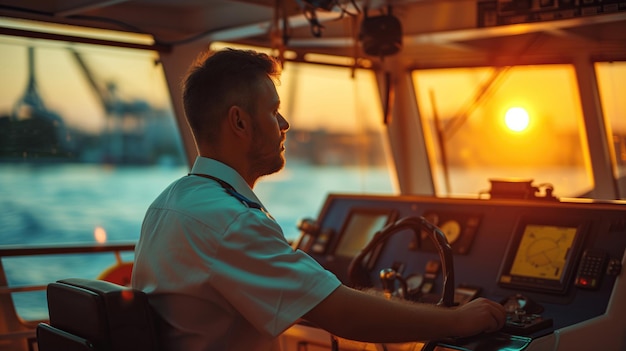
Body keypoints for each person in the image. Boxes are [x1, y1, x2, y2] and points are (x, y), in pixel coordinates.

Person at [131, 48, 506, 351]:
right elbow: (342, 314)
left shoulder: (169, 204)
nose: (285, 125)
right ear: (240, 123)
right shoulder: (232, 222)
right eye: (274, 111)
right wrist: (458, 319)